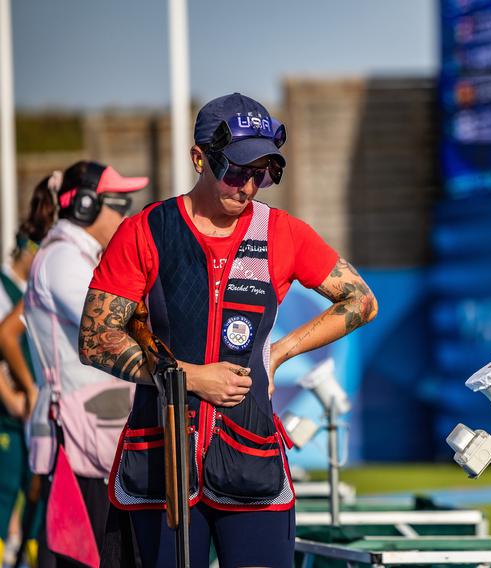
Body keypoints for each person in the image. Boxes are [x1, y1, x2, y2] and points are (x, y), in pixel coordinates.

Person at [79, 92, 378, 568]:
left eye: (261, 173)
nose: (248, 186)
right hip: (162, 460)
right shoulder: (145, 230)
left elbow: (361, 300)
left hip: (251, 455)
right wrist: (188, 377)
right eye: (237, 170)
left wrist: (278, 353)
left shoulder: (283, 232)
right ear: (199, 157)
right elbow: (95, 339)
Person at [24, 161, 148, 567]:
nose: (126, 214)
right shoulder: (62, 258)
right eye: (119, 203)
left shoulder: (78, 255)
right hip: (79, 438)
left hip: (94, 432)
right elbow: (112, 326)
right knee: (86, 556)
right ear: (85, 205)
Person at [0, 172, 57, 566]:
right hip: (11, 418)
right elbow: (6, 337)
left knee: (34, 503)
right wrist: (21, 395)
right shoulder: (16, 290)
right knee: (9, 501)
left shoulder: (32, 287)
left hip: (34, 414)